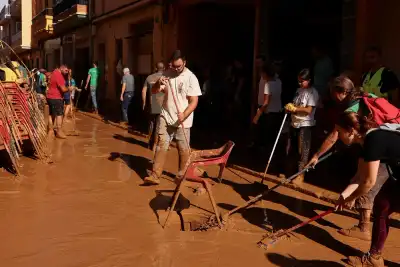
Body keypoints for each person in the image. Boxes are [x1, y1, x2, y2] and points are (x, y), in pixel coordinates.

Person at [307, 75, 392, 241]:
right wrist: (344, 197)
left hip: (382, 146)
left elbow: (334, 136)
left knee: (367, 183)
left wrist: (317, 155)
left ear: (341, 92)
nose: (332, 97)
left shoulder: (351, 109)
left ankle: (364, 228)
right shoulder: (366, 97)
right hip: (384, 139)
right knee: (361, 178)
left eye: (333, 93)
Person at [334, 112, 400, 267]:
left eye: (339, 131)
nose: (337, 136)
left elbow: (369, 182)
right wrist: (343, 197)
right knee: (382, 206)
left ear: (350, 130)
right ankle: (374, 258)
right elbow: (360, 179)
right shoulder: (367, 142)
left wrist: (350, 199)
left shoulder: (373, 140)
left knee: (382, 206)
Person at [144, 50, 202, 185]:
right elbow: (154, 91)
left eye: (179, 66)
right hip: (166, 115)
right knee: (161, 145)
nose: (176, 69)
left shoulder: (191, 78)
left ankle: (182, 176)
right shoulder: (167, 74)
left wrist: (185, 114)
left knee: (183, 149)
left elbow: (194, 101)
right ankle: (155, 175)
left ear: (184, 63)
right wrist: (159, 83)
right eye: (174, 66)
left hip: (183, 120)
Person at [285, 68, 319, 184]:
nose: (300, 83)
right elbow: (295, 104)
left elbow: (309, 110)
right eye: (299, 81)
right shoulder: (299, 90)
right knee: (292, 148)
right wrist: (290, 107)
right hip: (294, 122)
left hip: (305, 124)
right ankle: (290, 173)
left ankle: (301, 174)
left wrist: (296, 108)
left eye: (302, 81)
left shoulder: (313, 93)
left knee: (303, 151)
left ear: (309, 80)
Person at [252, 64, 283, 150]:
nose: (261, 75)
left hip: (269, 113)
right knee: (273, 134)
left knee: (267, 134)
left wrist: (258, 114)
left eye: (262, 73)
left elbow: (266, 102)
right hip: (278, 111)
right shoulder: (279, 81)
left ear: (265, 74)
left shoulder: (268, 85)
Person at [142, 62, 165, 151]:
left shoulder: (149, 77)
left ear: (156, 68)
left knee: (151, 123)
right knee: (159, 125)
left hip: (152, 104)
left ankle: (149, 143)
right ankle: (155, 145)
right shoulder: (166, 78)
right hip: (162, 105)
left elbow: (143, 91)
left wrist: (144, 103)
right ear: (164, 68)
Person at [47, 65, 69, 139]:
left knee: (51, 114)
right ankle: (59, 131)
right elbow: (63, 89)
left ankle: (50, 130)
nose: (67, 72)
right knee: (59, 114)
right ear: (61, 68)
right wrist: (70, 88)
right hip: (56, 97)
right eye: (66, 70)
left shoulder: (54, 72)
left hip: (49, 96)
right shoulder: (59, 76)